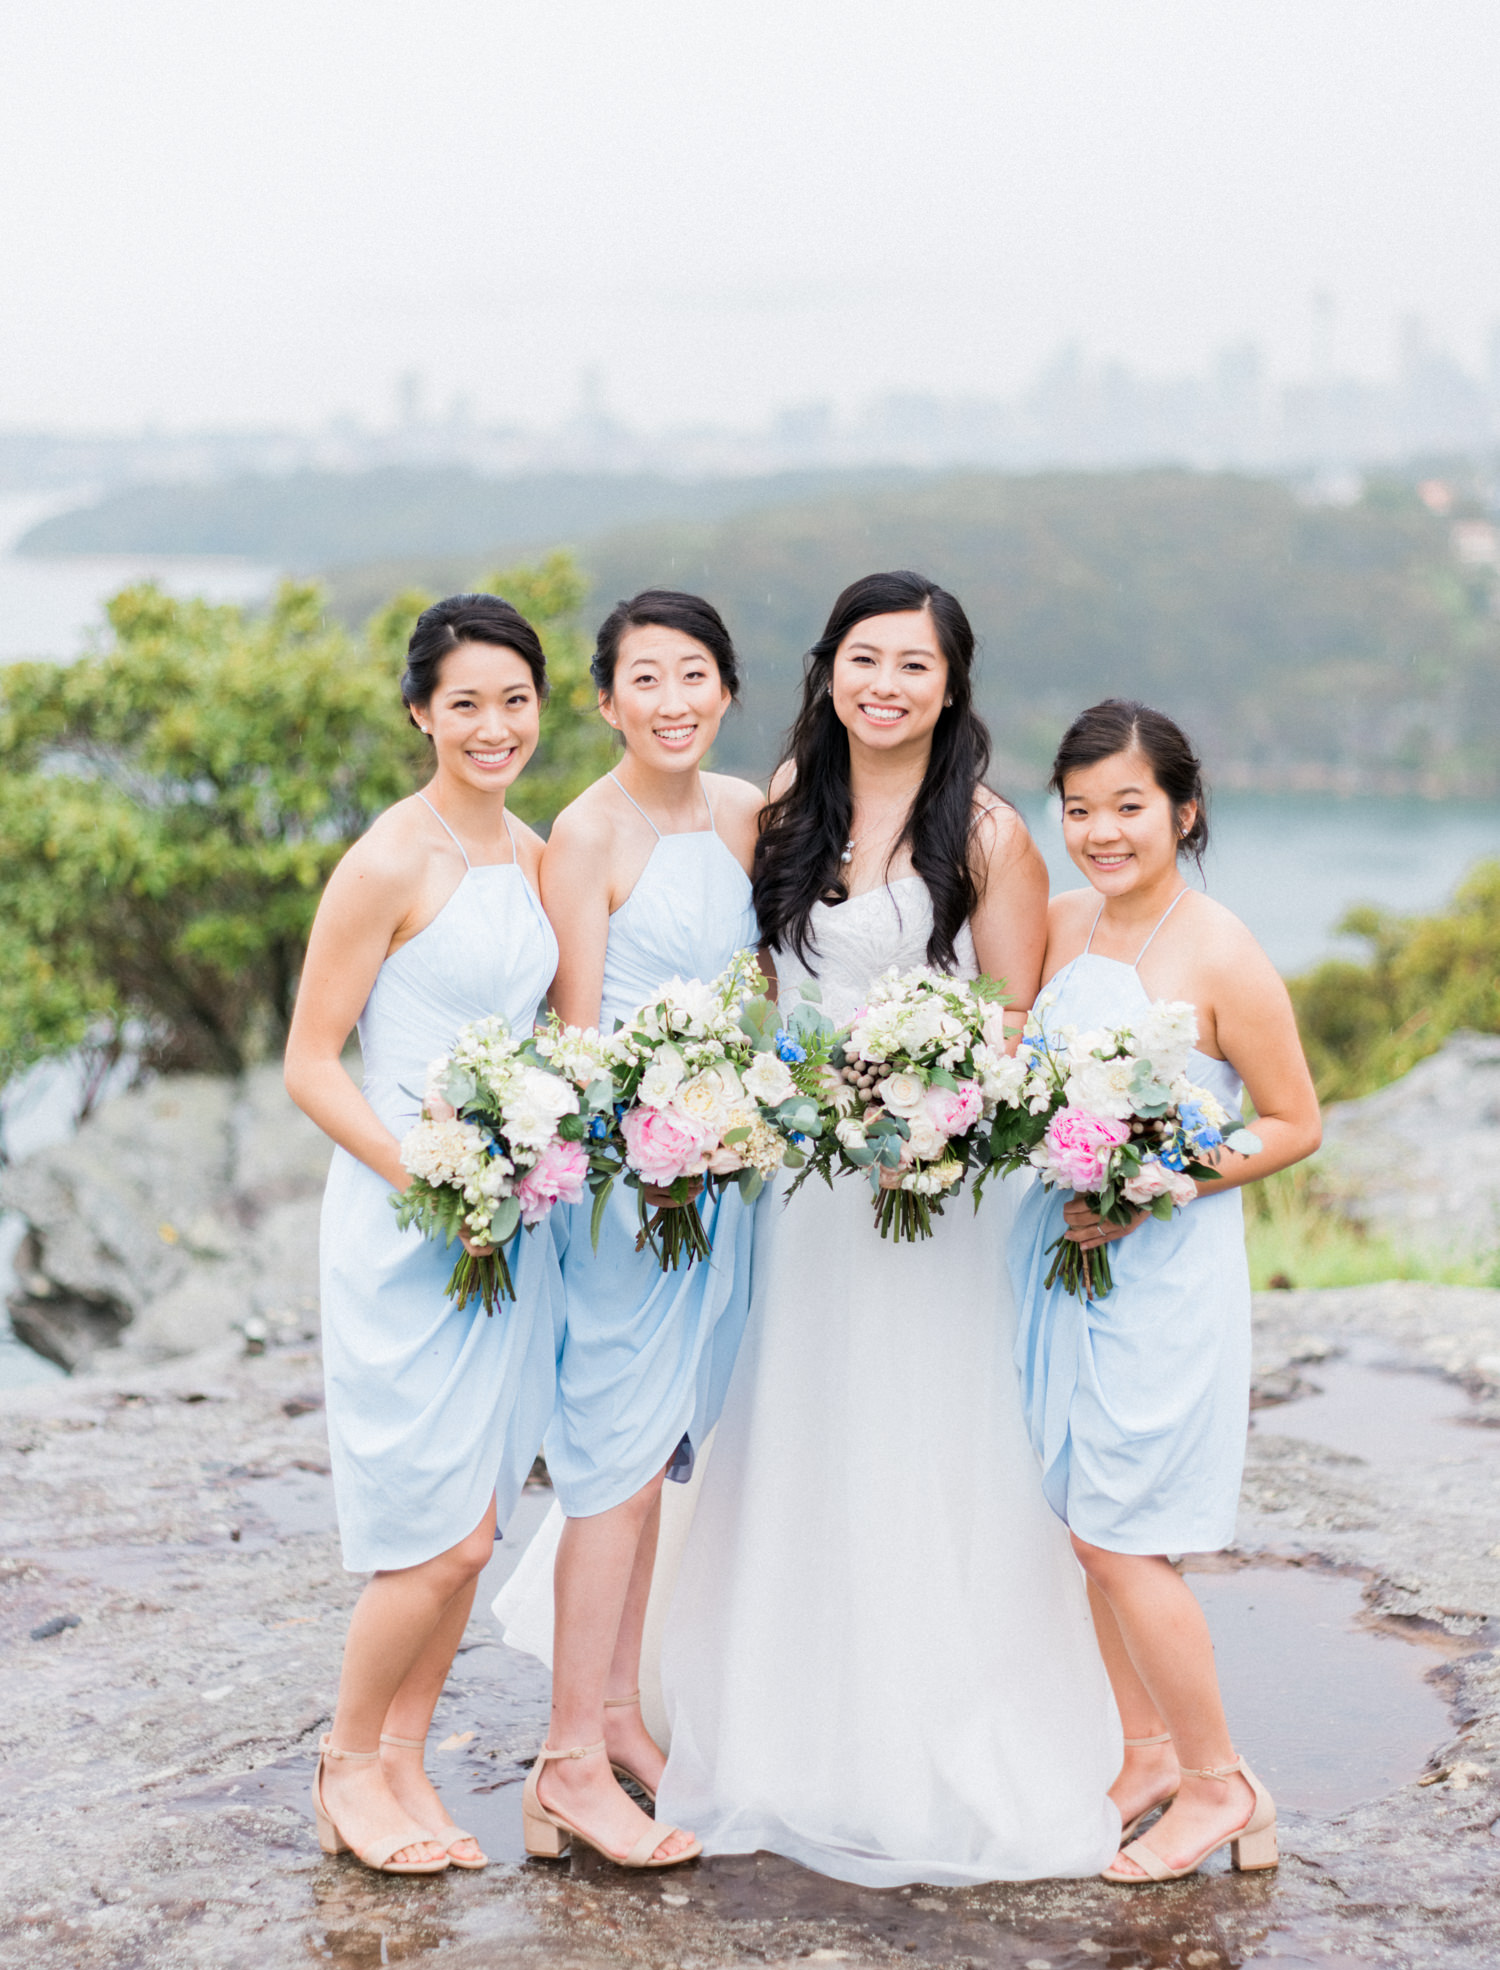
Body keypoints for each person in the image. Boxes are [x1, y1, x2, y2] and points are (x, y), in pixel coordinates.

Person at [653, 571, 1123, 1888]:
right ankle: (786, 1731)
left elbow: (1020, 1023)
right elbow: (753, 991)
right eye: (867, 658)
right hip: (804, 1198)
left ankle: (934, 1729)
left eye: (915, 665)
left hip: (935, 1199)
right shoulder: (783, 816)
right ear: (829, 669)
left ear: (952, 685)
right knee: (801, 1430)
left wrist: (930, 1105)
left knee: (925, 1441)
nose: (888, 685)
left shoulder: (987, 835)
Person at [1008, 698, 1321, 1885]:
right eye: (1079, 807)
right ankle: (1143, 1753)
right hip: (1060, 1262)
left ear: (1183, 810)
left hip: (1163, 1269)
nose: (1100, 830)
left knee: (1133, 1536)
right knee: (1092, 1526)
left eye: (1128, 806)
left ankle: (1220, 1784)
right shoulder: (1059, 919)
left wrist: (1162, 1182)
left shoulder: (1221, 946)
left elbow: (1295, 1121)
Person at [284, 594, 562, 1876]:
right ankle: (346, 1763)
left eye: (514, 699)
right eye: (466, 703)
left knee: (481, 1519)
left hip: (515, 1228)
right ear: (421, 712)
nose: (493, 725)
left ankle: (407, 1758)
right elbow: (311, 1060)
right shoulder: (391, 856)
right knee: (431, 1529)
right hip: (412, 1223)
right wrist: (431, 1174)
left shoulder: (533, 848)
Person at [517, 589, 764, 1870]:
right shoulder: (586, 830)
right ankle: (564, 1760)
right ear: (606, 701)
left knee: (663, 1439)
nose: (674, 701)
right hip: (626, 1192)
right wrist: (652, 1141)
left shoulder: (743, 811)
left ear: (727, 688)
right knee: (611, 1458)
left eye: (695, 675)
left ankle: (618, 1712)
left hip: (721, 1181)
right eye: (646, 680)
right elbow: (572, 1037)